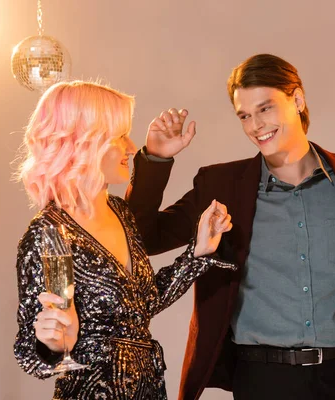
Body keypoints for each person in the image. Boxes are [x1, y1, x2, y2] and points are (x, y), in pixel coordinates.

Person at [125, 53, 335, 399]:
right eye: (245, 115)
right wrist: (156, 158)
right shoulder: (220, 185)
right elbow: (142, 238)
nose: (256, 125)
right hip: (263, 379)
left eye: (266, 108)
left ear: (297, 99)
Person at [14, 81, 236, 400]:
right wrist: (52, 346)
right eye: (119, 136)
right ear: (85, 141)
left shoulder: (119, 211)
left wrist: (198, 254)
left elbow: (142, 304)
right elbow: (31, 353)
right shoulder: (51, 234)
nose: (132, 147)